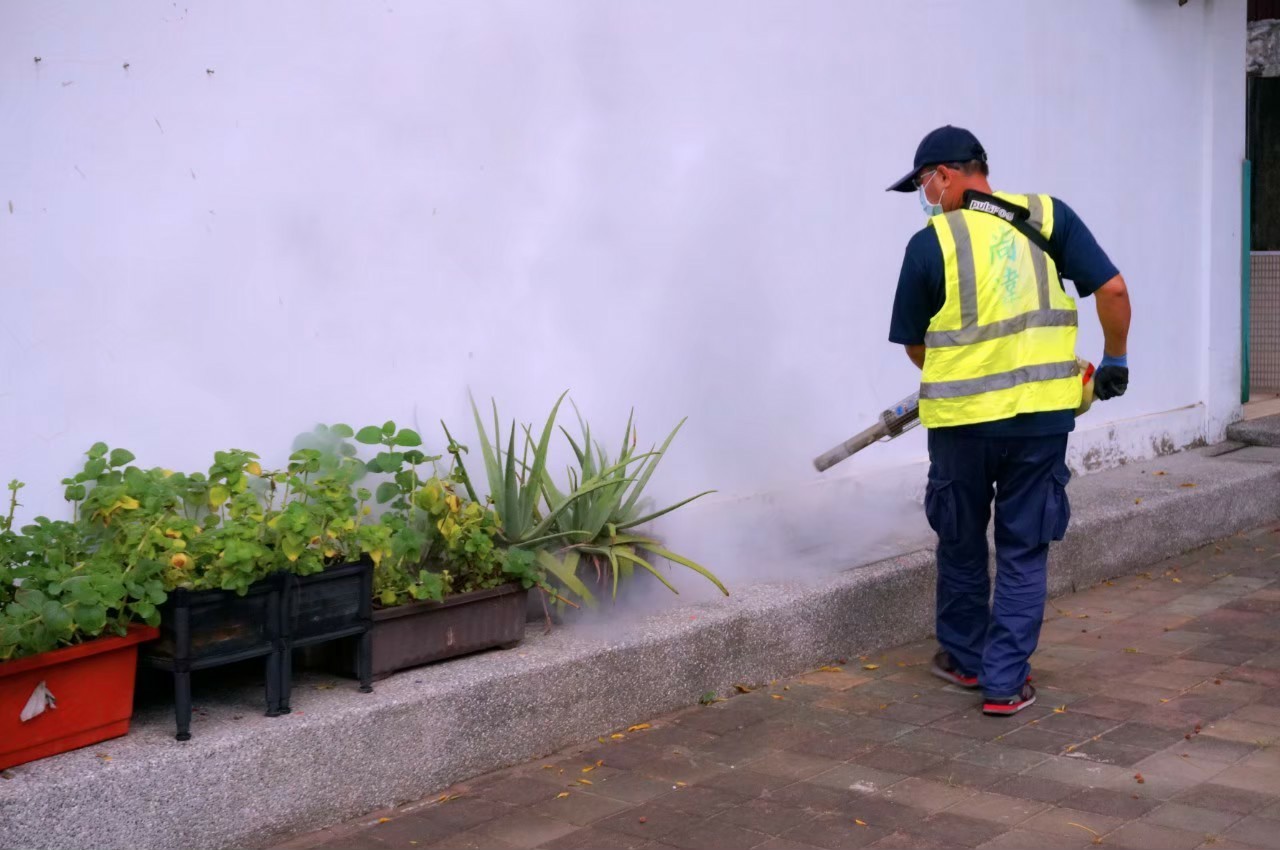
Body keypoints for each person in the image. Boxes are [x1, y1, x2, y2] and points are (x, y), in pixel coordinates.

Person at [886, 126, 1131, 716]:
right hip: (1040, 426)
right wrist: (1116, 359)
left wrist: (965, 368)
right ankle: (1004, 683)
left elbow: (917, 349)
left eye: (922, 183)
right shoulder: (1050, 217)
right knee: (1023, 550)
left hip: (960, 427)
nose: (923, 195)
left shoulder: (931, 242)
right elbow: (1114, 290)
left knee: (962, 542)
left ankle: (968, 663)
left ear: (944, 174)